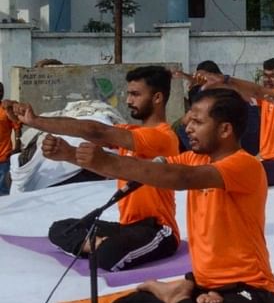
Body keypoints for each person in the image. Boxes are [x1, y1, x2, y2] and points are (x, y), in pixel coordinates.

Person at [49, 89, 274, 303]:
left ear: (225, 130)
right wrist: (70, 155)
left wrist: (108, 161)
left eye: (197, 122)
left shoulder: (245, 165)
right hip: (201, 285)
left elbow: (179, 178)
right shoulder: (195, 158)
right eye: (189, 120)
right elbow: (159, 170)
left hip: (248, 289)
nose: (188, 128)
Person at [4, 66, 180, 271]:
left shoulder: (163, 137)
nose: (128, 100)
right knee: (61, 229)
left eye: (135, 94)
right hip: (127, 227)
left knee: (107, 257)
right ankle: (97, 244)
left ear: (157, 97)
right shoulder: (130, 133)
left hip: (157, 229)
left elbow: (96, 131)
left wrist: (36, 121)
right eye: (128, 94)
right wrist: (68, 153)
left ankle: (98, 247)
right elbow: (114, 171)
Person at [186, 59, 274, 186]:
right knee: (225, 166)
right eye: (265, 76)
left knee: (232, 173)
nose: (267, 80)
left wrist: (224, 79)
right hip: (268, 162)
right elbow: (240, 93)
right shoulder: (266, 100)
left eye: (273, 76)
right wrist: (210, 85)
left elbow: (257, 91)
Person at [0, 82, 11, 195]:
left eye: (2, 91)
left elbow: (17, 126)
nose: (0, 93)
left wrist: (17, 146)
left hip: (3, 156)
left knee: (3, 189)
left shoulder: (6, 109)